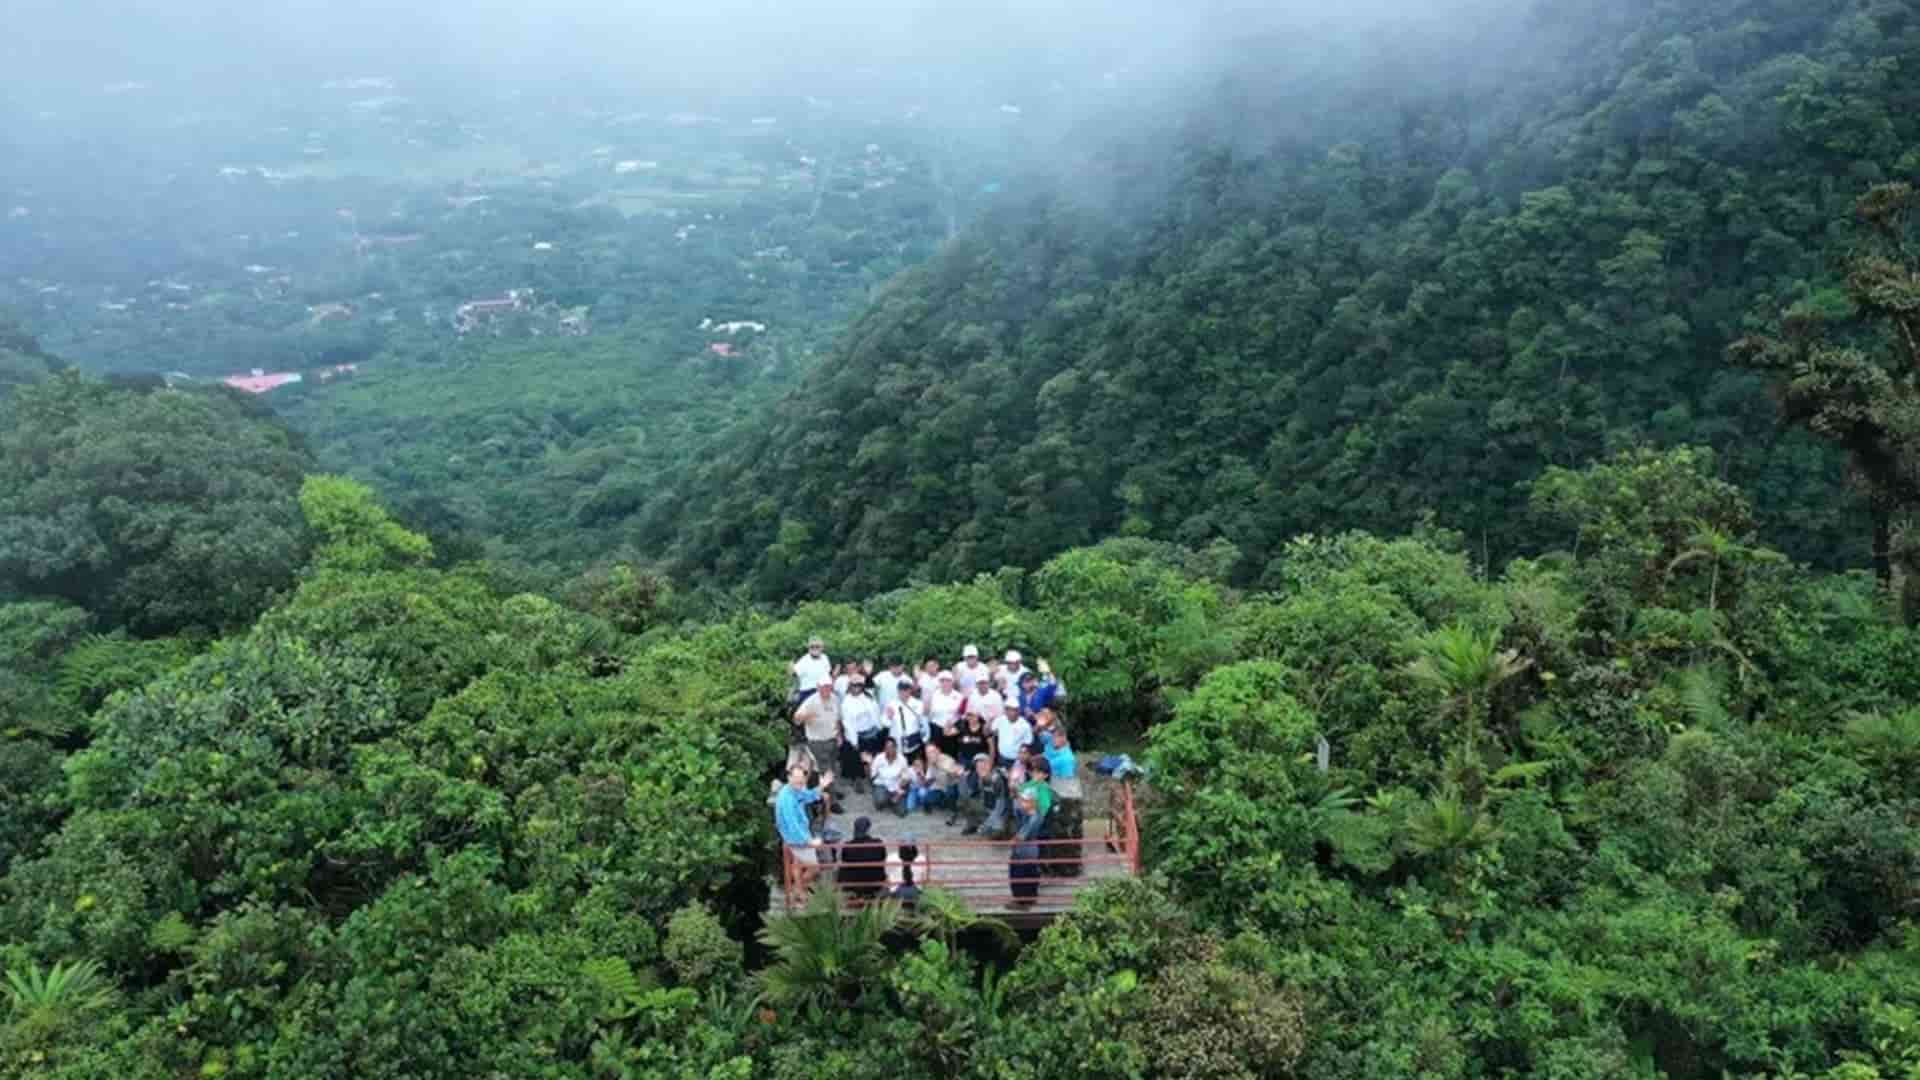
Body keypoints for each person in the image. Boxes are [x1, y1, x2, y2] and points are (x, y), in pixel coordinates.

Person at [773, 763, 834, 900]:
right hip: (796, 838)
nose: (799, 781)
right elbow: (792, 824)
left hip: (795, 835)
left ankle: (799, 893)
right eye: (796, 778)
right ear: (789, 777)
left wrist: (821, 786)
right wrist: (809, 841)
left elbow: (808, 796)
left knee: (797, 864)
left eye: (801, 778)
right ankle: (798, 890)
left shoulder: (794, 790)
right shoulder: (787, 798)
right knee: (814, 867)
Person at [1043, 727, 1083, 877]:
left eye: (1056, 738)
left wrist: (1060, 803)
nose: (1053, 740)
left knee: (1066, 833)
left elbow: (1067, 781)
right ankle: (1059, 866)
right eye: (1052, 737)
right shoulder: (1054, 751)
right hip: (1057, 795)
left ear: (1063, 738)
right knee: (1057, 833)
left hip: (1066, 798)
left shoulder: (1066, 758)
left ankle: (1069, 868)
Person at [792, 679, 842, 796]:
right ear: (818, 687)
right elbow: (796, 719)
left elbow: (838, 719)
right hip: (817, 741)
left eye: (828, 686)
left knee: (832, 767)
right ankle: (831, 798)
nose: (826, 689)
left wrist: (839, 735)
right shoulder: (811, 701)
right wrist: (804, 716)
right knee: (825, 769)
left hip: (832, 739)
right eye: (824, 687)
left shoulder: (835, 699)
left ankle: (830, 790)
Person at [839, 673, 884, 792]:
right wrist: (854, 741)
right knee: (856, 761)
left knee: (872, 759)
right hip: (858, 735)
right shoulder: (846, 702)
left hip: (872, 732)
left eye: (859, 685)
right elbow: (848, 724)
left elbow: (876, 712)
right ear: (850, 686)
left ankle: (874, 779)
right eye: (854, 685)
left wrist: (879, 728)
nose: (856, 688)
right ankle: (857, 781)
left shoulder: (868, 696)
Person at [955, 753, 1012, 838]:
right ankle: (973, 824)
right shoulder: (978, 777)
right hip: (987, 809)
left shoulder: (997, 779)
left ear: (990, 765)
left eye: (984, 765)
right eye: (978, 766)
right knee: (963, 801)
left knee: (995, 833)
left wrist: (987, 823)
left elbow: (1001, 807)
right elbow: (965, 795)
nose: (981, 768)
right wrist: (962, 778)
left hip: (1001, 813)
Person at [838, 816, 888, 904]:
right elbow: (883, 858)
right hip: (875, 883)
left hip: (853, 885)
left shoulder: (847, 846)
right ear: (868, 830)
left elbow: (844, 860)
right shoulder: (878, 843)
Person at [1008, 791, 1045, 905]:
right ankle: (1023, 899)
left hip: (1027, 850)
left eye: (1025, 801)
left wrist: (1013, 841)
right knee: (1018, 874)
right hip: (1023, 849)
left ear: (1033, 802)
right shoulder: (1027, 814)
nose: (1022, 803)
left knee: (1023, 874)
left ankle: (1024, 900)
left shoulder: (1034, 817)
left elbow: (1022, 836)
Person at [885, 679, 928, 761]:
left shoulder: (918, 704)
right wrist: (889, 717)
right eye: (901, 690)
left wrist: (925, 738)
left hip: (913, 741)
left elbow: (923, 722)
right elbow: (885, 723)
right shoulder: (891, 704)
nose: (904, 692)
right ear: (898, 691)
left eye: (906, 689)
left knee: (915, 763)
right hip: (898, 742)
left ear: (910, 690)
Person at [869, 737, 913, 816]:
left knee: (902, 813)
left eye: (892, 747)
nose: (889, 749)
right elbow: (872, 775)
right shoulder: (879, 758)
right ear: (884, 749)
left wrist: (899, 791)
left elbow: (906, 777)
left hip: (896, 787)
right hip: (882, 785)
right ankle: (887, 799)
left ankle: (893, 800)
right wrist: (870, 763)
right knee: (880, 801)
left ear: (896, 747)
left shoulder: (902, 759)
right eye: (887, 747)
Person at [928, 670, 966, 754]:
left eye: (948, 680)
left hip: (953, 730)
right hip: (937, 729)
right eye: (942, 681)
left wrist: (955, 728)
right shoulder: (933, 695)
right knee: (937, 754)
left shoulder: (959, 696)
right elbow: (930, 715)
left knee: (952, 755)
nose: (945, 683)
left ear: (952, 682)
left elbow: (963, 716)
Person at [791, 637, 830, 704]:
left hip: (822, 692)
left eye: (817, 646)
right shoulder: (804, 660)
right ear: (808, 648)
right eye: (812, 646)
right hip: (807, 692)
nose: (815, 648)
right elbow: (794, 674)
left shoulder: (825, 658)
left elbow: (827, 672)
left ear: (822, 648)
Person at [992, 707, 1031, 771]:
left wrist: (1023, 755)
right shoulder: (1001, 721)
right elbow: (993, 733)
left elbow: (1028, 742)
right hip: (1002, 758)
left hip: (1018, 760)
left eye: (1014, 711)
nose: (1011, 713)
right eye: (1009, 711)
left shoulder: (1024, 725)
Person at [888, 839, 927, 903]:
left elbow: (888, 876)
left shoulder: (891, 857)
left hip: (896, 891)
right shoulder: (921, 858)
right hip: (916, 890)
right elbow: (924, 879)